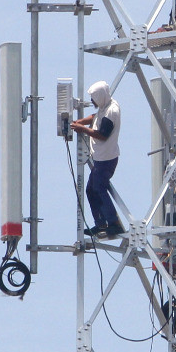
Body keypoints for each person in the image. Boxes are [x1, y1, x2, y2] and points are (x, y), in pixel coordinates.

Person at [72, 81, 125, 239]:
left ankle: (113, 223)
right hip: (100, 158)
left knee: (99, 188)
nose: (93, 102)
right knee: (91, 189)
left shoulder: (112, 111)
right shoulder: (105, 106)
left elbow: (102, 134)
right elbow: (96, 117)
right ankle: (101, 223)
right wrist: (82, 122)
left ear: (100, 96)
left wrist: (83, 129)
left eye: (94, 98)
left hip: (106, 159)